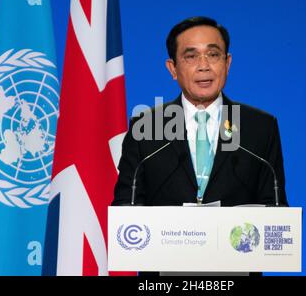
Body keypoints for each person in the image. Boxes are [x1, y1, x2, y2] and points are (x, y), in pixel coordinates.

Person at [112, 16, 288, 208]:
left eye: (213, 55)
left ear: (227, 63)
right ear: (173, 69)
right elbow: (126, 205)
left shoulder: (260, 127)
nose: (204, 66)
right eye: (191, 56)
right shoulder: (145, 127)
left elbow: (275, 207)